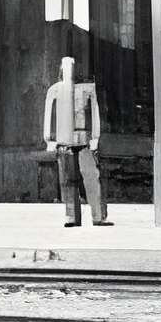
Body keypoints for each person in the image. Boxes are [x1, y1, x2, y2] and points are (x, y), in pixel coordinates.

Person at [41, 53, 106, 227]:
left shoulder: (87, 89)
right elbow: (48, 116)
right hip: (64, 140)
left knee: (91, 177)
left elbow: (95, 113)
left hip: (83, 139)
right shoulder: (54, 90)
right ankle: (71, 216)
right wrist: (49, 139)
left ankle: (98, 216)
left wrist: (95, 137)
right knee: (68, 180)